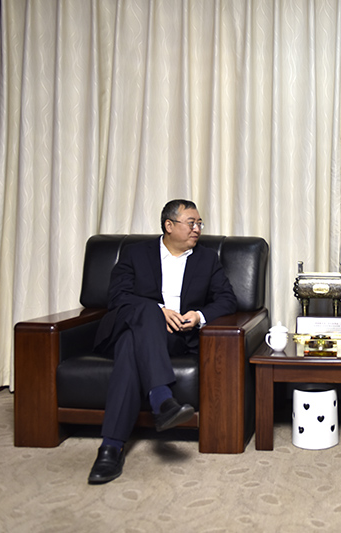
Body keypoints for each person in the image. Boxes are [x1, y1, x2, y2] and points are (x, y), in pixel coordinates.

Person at [87, 199, 237, 484]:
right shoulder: (135, 254)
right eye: (191, 223)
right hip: (127, 325)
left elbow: (227, 299)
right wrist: (159, 312)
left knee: (130, 346)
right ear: (169, 225)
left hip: (174, 338)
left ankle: (110, 447)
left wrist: (198, 315)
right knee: (146, 310)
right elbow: (118, 297)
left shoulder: (206, 259)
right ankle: (161, 399)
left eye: (199, 223)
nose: (197, 229)